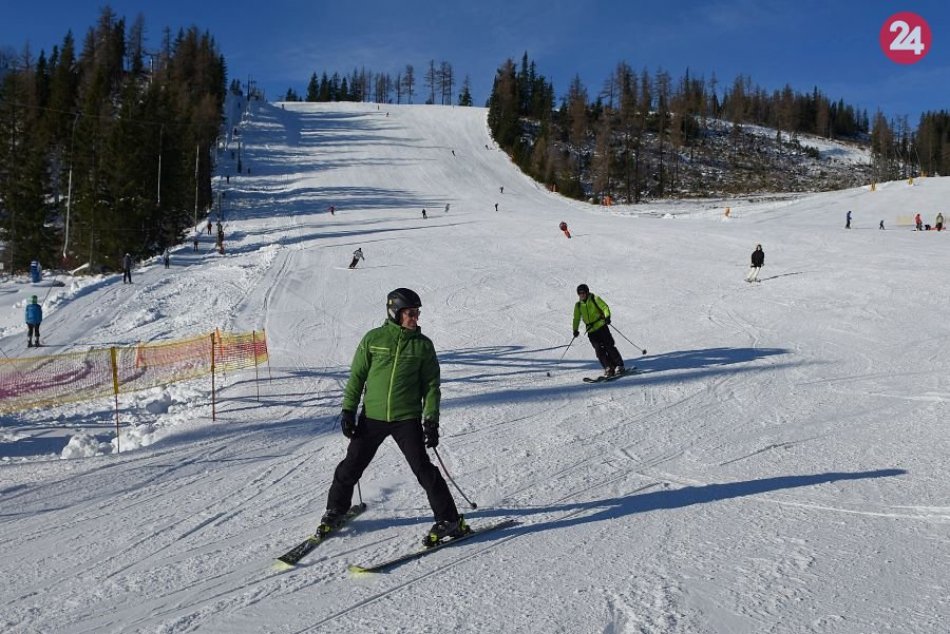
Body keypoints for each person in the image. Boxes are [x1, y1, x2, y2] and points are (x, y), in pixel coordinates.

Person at [320, 288, 469, 546]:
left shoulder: (423, 346)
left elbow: (431, 386)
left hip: (406, 418)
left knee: (423, 469)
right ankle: (335, 510)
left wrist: (431, 420)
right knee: (351, 465)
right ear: (396, 312)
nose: (416, 317)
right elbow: (357, 376)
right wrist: (348, 410)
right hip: (373, 417)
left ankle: (449, 520)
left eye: (417, 313)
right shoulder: (374, 339)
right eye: (411, 313)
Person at [572, 284, 625, 378]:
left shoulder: (594, 298)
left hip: (601, 326)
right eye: (580, 294)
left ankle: (619, 365)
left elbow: (604, 307)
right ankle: (608, 368)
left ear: (587, 292)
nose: (582, 295)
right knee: (599, 350)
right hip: (591, 331)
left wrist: (607, 316)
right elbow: (576, 318)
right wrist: (575, 330)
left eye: (583, 293)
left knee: (609, 346)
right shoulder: (578, 305)